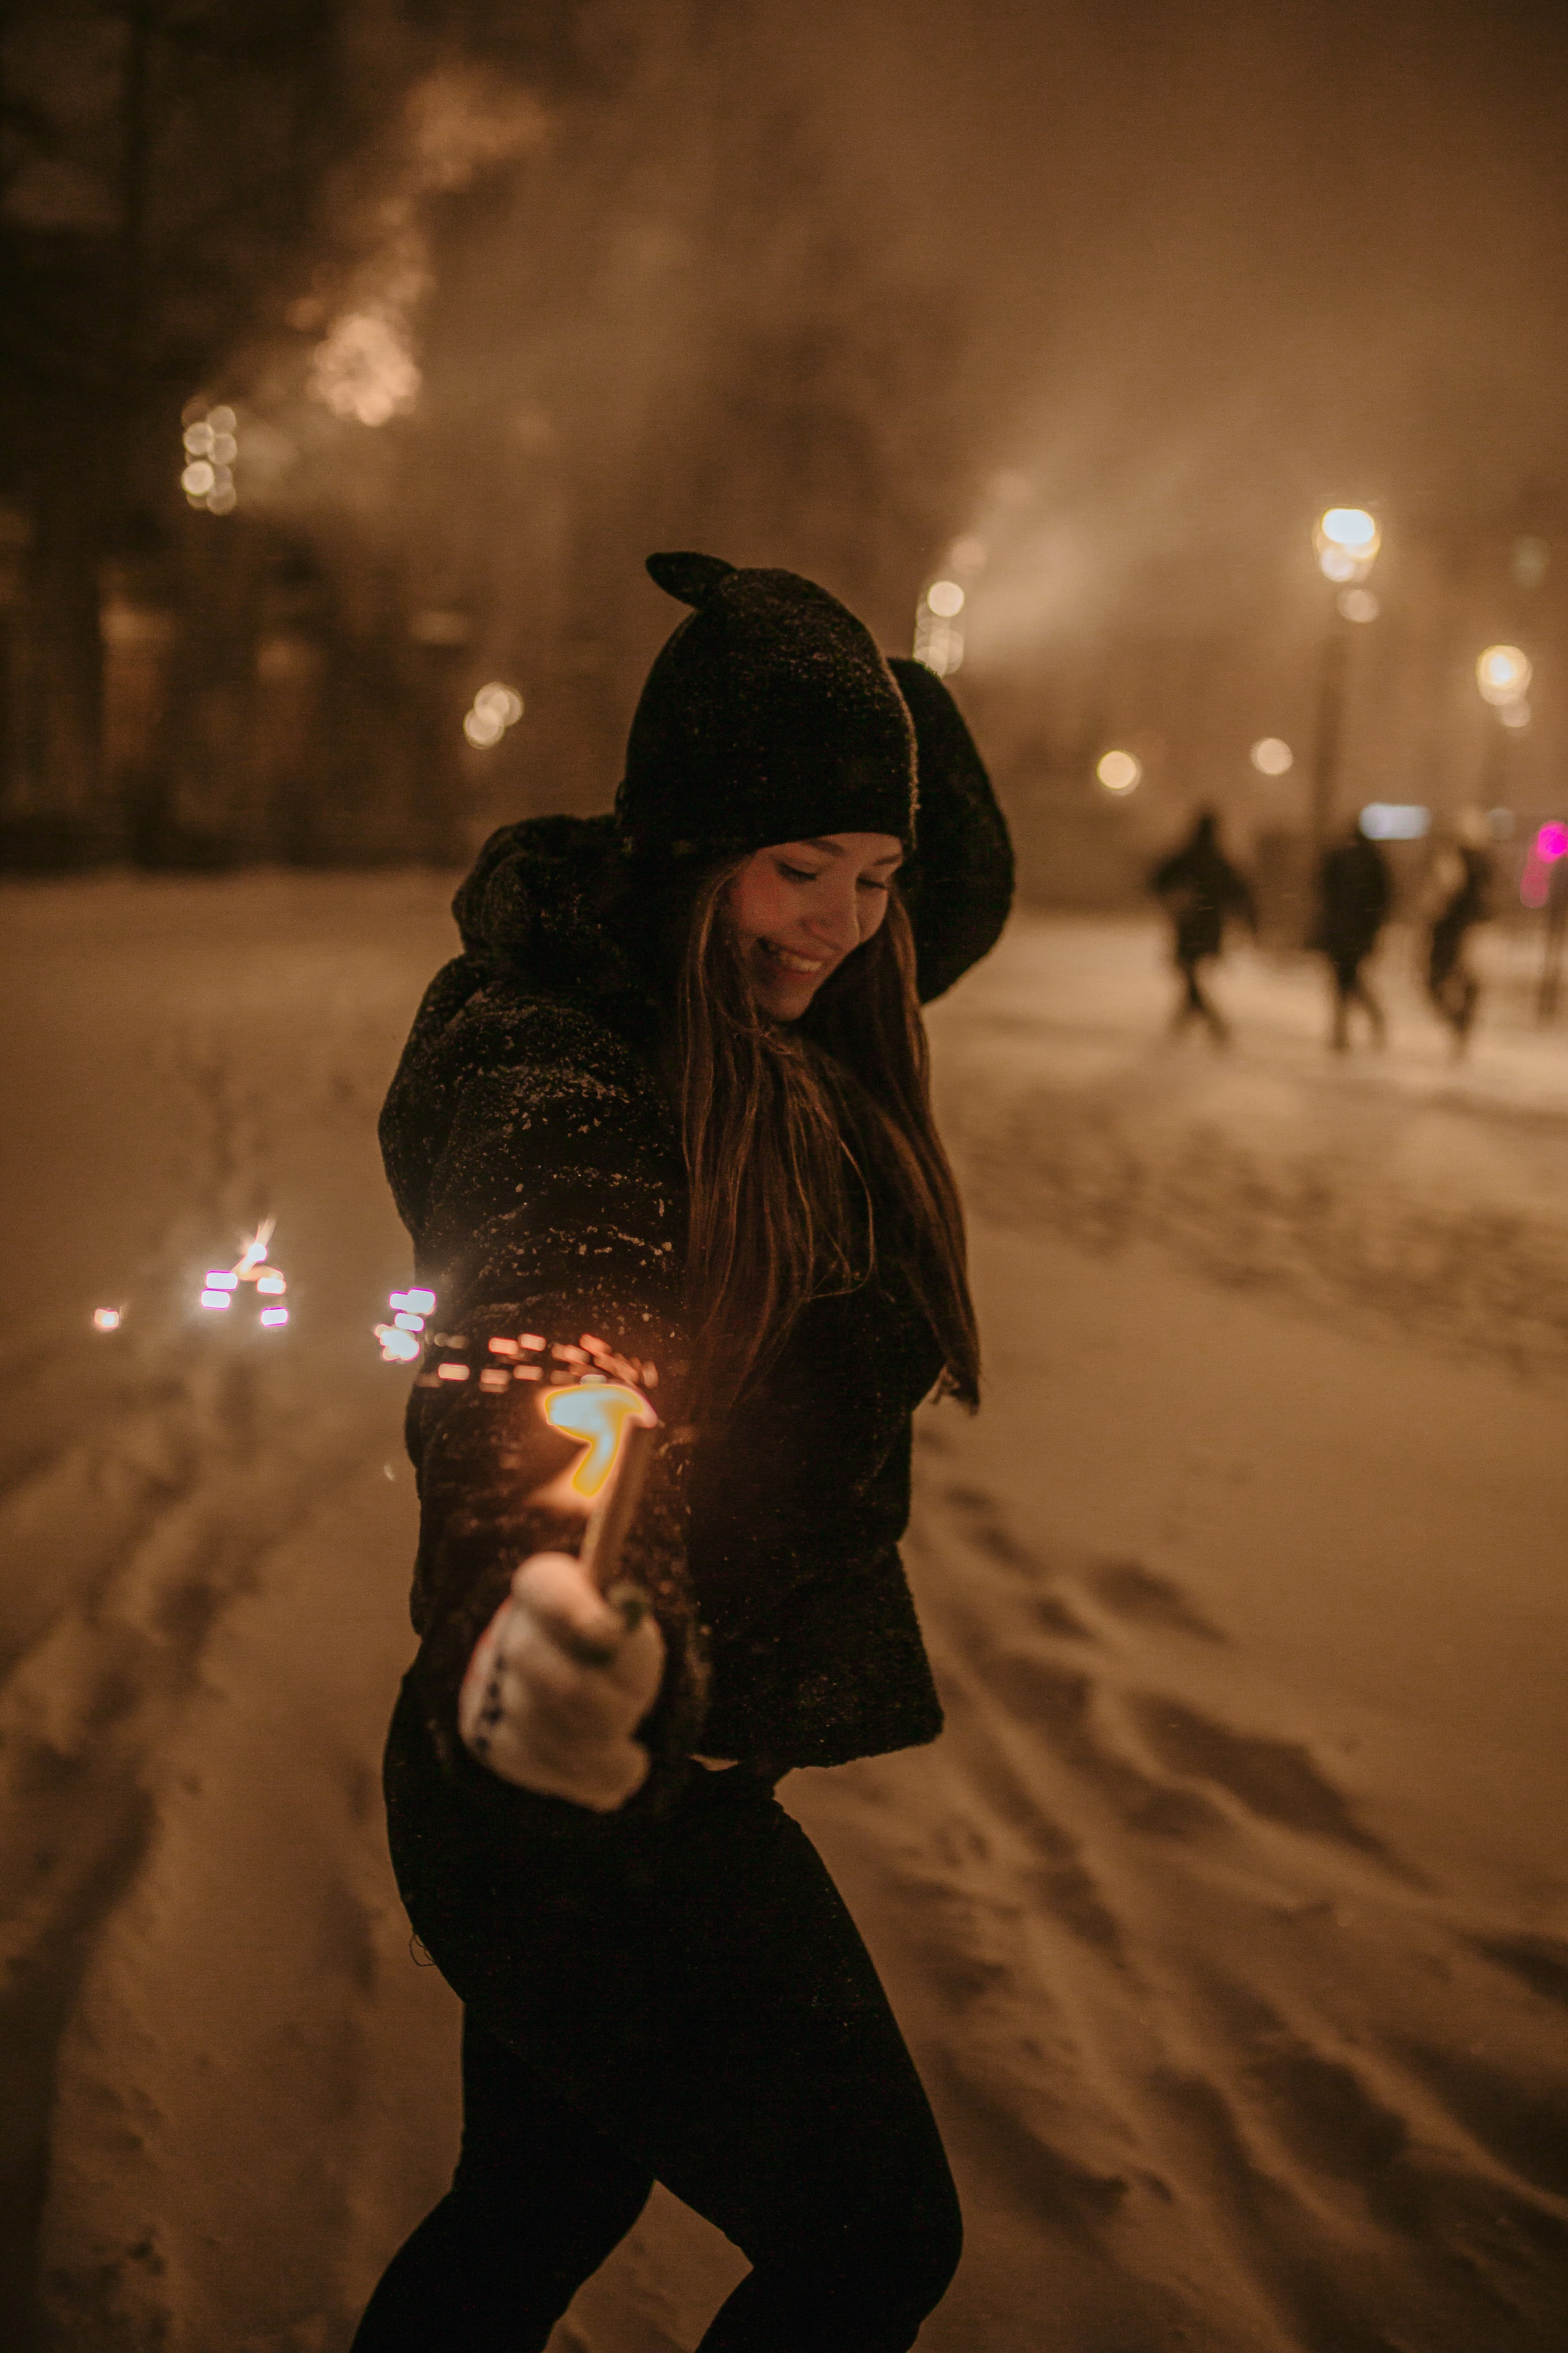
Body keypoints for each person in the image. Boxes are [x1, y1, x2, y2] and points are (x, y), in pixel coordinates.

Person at [353, 551, 1014, 2353]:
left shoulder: (785, 1025)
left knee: (536, 2196)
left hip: (639, 1778)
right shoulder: (555, 1053)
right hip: (570, 1768)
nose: (841, 922)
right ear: (685, 846)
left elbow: (940, 896)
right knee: (874, 2239)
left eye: (871, 875)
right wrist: (564, 1603)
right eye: (796, 868)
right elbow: (555, 1341)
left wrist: (879, 713)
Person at [1149, 807, 1256, 1045]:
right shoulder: (1219, 861)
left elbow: (1157, 879)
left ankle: (1209, 1022)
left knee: (1189, 971)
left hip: (1188, 925)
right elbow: (1238, 894)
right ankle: (1200, 1021)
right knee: (1191, 973)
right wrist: (1249, 923)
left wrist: (1174, 900)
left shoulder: (1186, 858)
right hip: (1209, 927)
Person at [1313, 818, 1392, 1050]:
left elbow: (1324, 888)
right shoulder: (1374, 860)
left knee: (1343, 979)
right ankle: (1350, 1026)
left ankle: (1343, 1029)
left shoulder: (1340, 858)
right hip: (1359, 929)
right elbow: (1384, 897)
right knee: (1348, 978)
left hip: (1341, 928)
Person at [1424, 809, 1493, 1051]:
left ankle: (1459, 1024)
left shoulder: (1454, 859)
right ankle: (1462, 1026)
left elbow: (1445, 893)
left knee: (1440, 979)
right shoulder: (1483, 865)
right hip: (1472, 928)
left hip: (1453, 929)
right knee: (1469, 981)